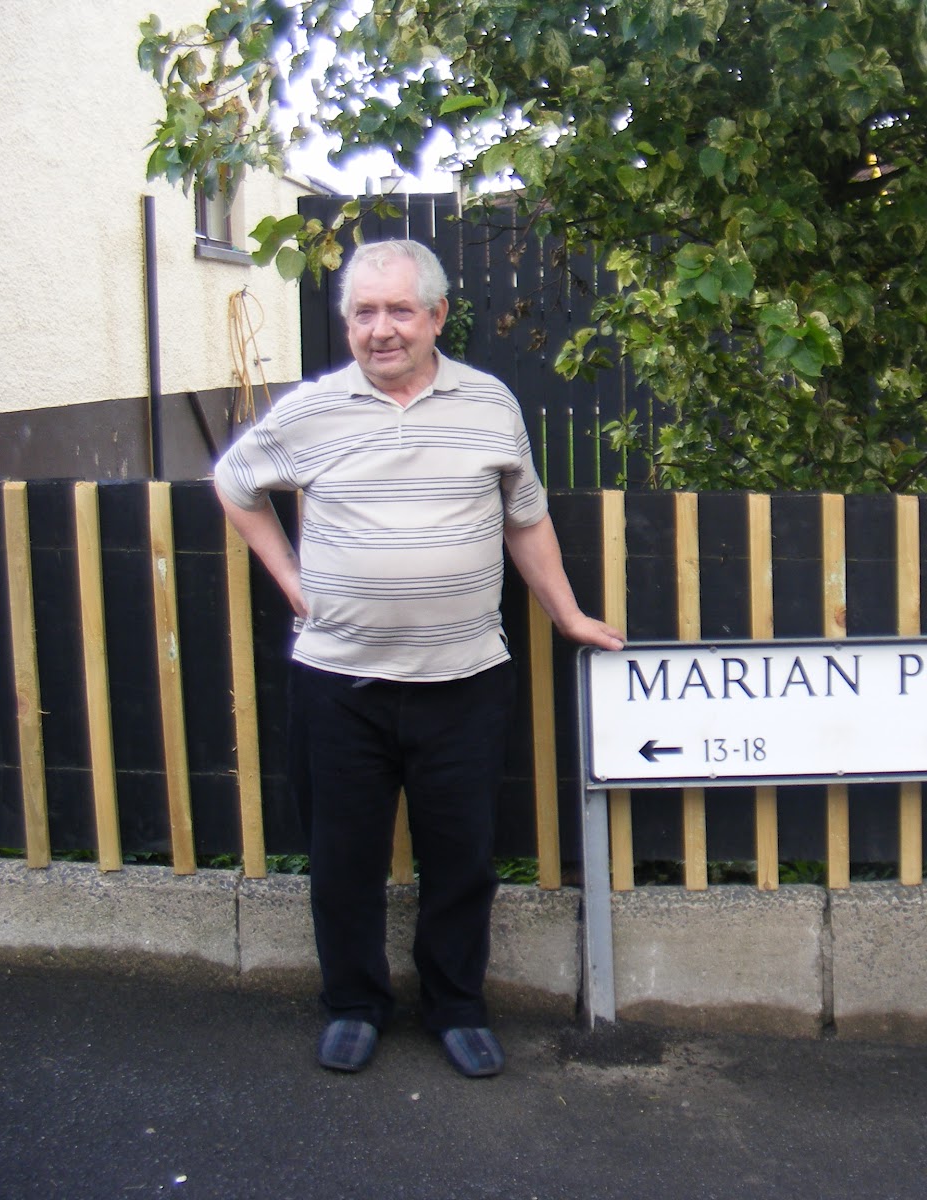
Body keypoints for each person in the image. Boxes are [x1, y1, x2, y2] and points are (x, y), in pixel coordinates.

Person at [215, 239, 623, 1078]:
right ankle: (355, 1005)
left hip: (464, 681)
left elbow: (526, 518)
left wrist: (569, 613)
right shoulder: (312, 411)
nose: (381, 329)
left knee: (461, 862)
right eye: (364, 312)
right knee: (343, 861)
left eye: (400, 310)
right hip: (338, 684)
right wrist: (289, 575)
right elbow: (234, 481)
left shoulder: (490, 404)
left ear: (437, 316)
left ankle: (456, 1007)